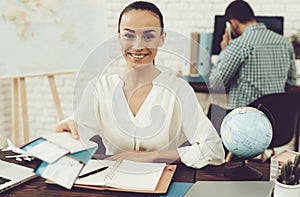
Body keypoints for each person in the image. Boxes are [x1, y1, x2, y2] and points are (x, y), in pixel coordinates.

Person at [56, 1, 225, 169]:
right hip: (112, 183)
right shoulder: (99, 88)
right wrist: (68, 132)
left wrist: (153, 156)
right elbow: (77, 132)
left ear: (161, 39)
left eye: (149, 36)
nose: (138, 46)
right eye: (129, 35)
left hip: (162, 185)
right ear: (119, 39)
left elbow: (213, 149)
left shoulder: (179, 89)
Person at [209, 0, 297, 110]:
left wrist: (224, 51)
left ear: (233, 24)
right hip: (276, 118)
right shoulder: (285, 43)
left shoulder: (239, 45)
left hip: (245, 119)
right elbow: (291, 81)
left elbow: (215, 84)